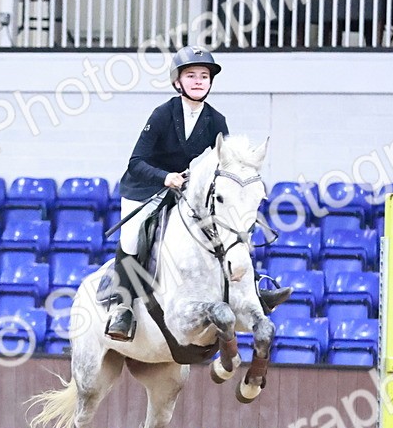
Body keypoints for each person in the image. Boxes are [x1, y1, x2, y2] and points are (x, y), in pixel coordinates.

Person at [105, 46, 288, 342]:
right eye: (191, 75)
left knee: (232, 228)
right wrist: (166, 177)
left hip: (193, 194)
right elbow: (136, 162)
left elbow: (224, 163)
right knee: (132, 235)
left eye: (204, 76)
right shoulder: (163, 114)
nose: (199, 81)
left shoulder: (216, 120)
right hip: (148, 188)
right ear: (178, 81)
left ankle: (252, 289)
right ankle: (122, 305)